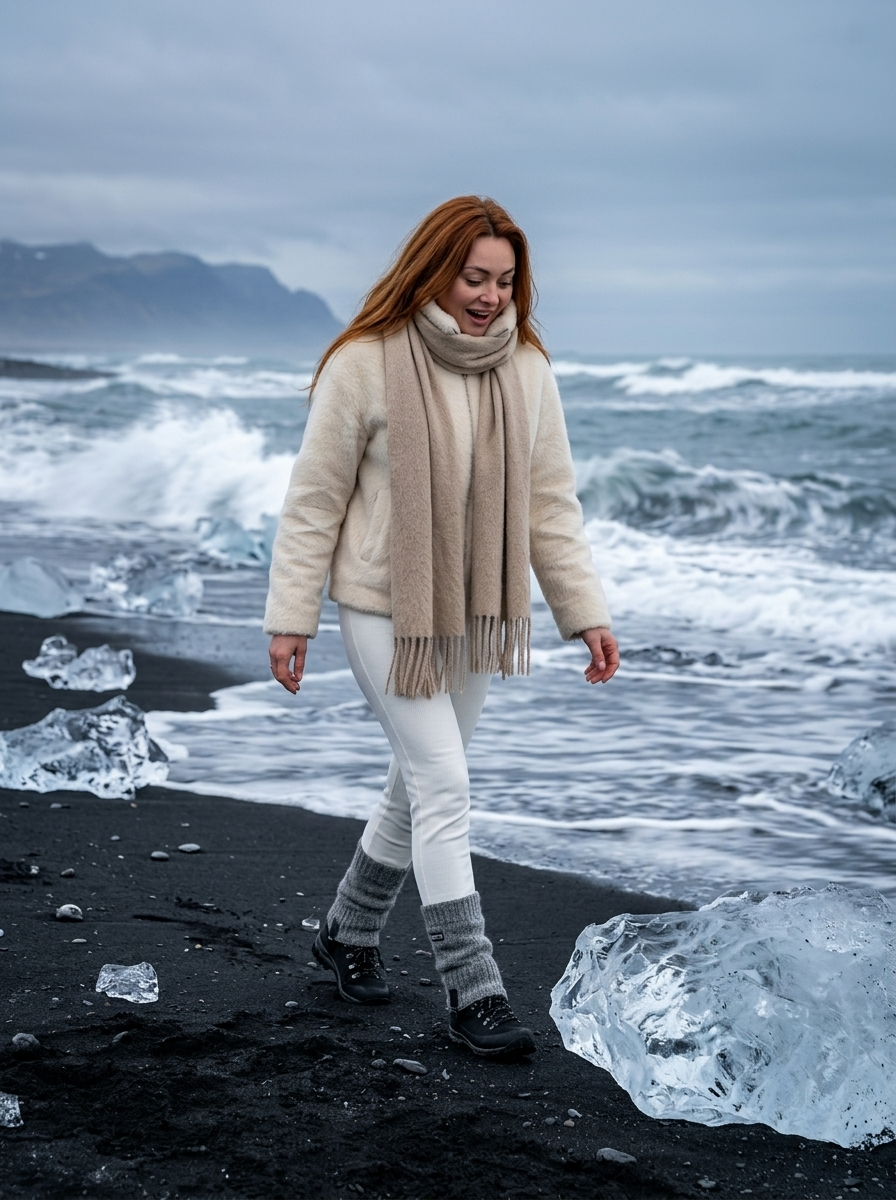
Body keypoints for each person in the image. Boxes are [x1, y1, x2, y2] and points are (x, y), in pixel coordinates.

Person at [266, 196, 619, 1058]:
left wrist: (585, 612)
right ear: (434, 270)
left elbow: (548, 507)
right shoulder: (365, 362)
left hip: (468, 614)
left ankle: (347, 931)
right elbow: (315, 500)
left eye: (505, 280)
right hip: (381, 609)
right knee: (444, 783)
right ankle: (475, 989)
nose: (492, 296)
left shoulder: (526, 368)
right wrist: (291, 616)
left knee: (420, 781)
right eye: (475, 277)